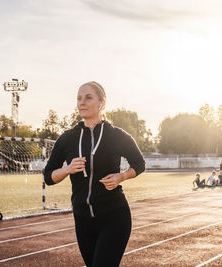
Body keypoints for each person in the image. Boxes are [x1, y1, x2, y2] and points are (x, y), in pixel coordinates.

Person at [44, 81, 145, 267]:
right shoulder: (67, 138)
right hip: (83, 220)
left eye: (88, 97)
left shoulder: (117, 135)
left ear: (102, 103)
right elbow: (48, 177)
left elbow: (139, 164)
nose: (82, 102)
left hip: (114, 216)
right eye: (79, 98)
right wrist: (67, 169)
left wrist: (121, 177)